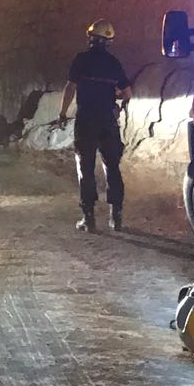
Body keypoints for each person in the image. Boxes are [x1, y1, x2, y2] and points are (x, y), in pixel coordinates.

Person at [55, 18, 131, 232]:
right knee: (112, 167)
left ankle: (88, 218)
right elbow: (127, 92)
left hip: (86, 120)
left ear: (90, 38)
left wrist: (62, 113)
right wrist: (113, 99)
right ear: (109, 41)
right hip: (107, 120)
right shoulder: (114, 63)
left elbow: (70, 88)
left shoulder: (81, 60)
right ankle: (116, 217)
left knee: (85, 168)